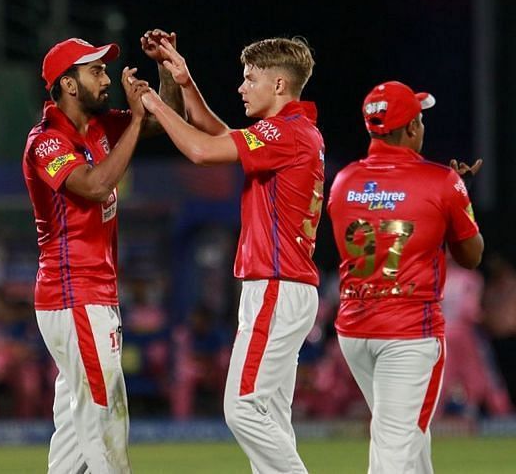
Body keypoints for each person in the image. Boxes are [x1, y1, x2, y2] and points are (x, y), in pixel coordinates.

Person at [140, 36, 322, 472]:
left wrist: (155, 104)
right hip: (285, 287)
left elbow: (203, 151)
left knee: (242, 409)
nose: (242, 87)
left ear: (279, 84)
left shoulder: (284, 132)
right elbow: (222, 137)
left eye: (250, 79)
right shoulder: (292, 132)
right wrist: (185, 83)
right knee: (271, 416)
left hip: (277, 286)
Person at [22, 32, 182, 473]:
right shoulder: (47, 141)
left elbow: (163, 120)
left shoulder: (97, 126)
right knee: (106, 416)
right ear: (68, 85)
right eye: (95, 71)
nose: (107, 78)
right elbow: (93, 186)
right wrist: (133, 120)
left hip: (88, 296)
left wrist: (166, 71)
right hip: (74, 295)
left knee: (77, 431)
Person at [327, 81, 484, 473]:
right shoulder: (442, 181)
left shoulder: (344, 180)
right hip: (409, 333)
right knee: (396, 445)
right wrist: (458, 198)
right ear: (412, 128)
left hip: (355, 331)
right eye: (420, 118)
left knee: (409, 437)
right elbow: (471, 256)